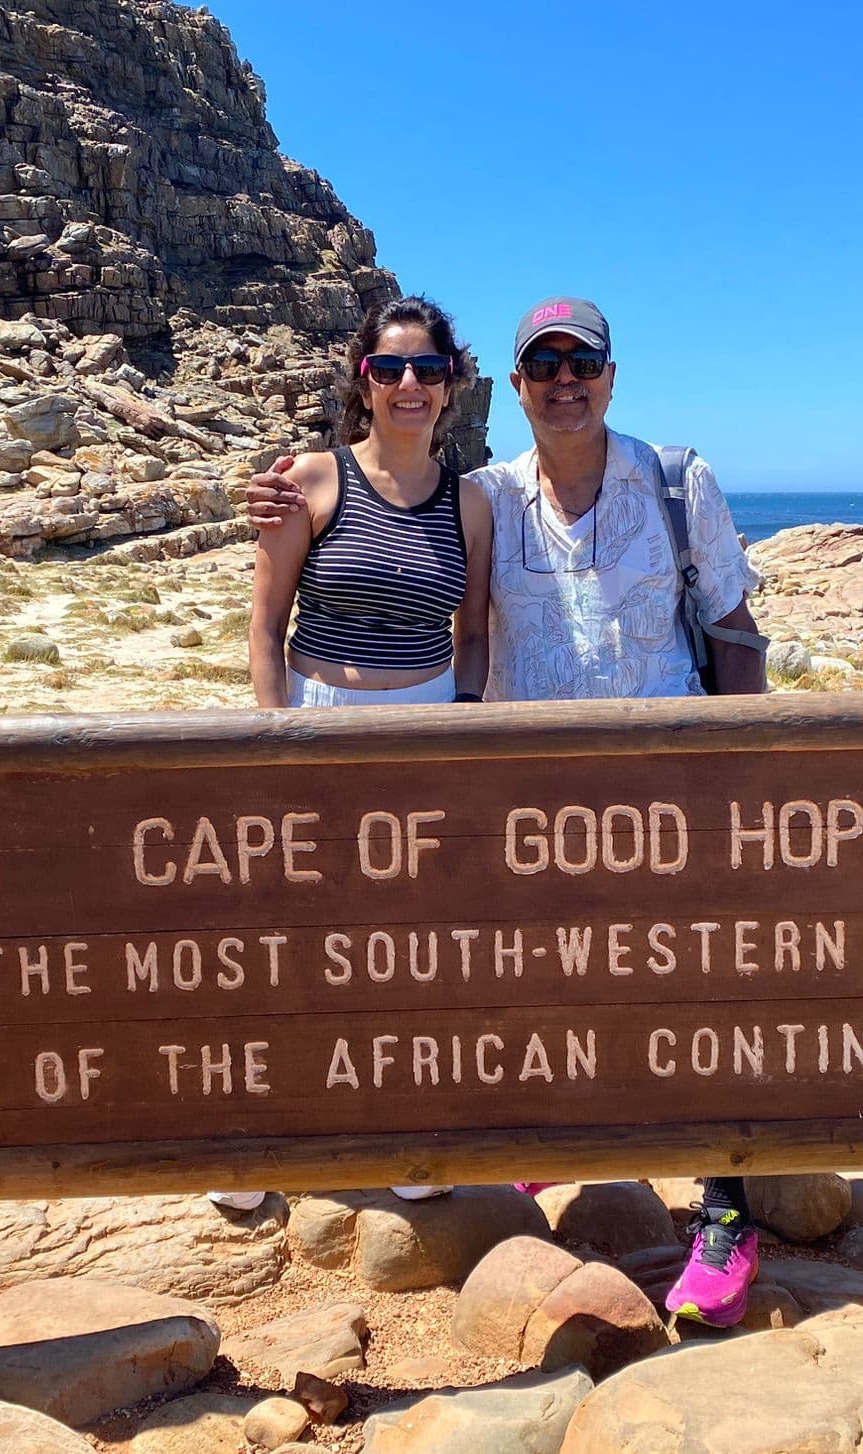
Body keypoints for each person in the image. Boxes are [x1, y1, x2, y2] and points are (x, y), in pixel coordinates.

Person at [247, 295, 768, 1325]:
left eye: (584, 362)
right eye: (545, 365)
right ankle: (552, 1140)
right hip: (534, 796)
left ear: (611, 377)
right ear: (517, 386)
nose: (565, 380)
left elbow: (733, 626)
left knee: (690, 988)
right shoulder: (481, 496)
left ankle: (723, 1205)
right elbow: (394, 543)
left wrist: (742, 772)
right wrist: (273, 502)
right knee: (547, 972)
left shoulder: (674, 482)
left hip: (667, 784)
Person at [210, 293, 493, 1215]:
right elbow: (263, 622)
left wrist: (466, 720)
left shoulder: (471, 502)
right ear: (362, 382)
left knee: (409, 942)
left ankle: (404, 1130)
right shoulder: (311, 478)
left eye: (427, 368)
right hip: (318, 713)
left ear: (450, 386)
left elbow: (474, 630)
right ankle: (257, 1142)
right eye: (389, 368)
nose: (409, 384)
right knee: (294, 935)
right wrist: (274, 733)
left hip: (425, 723)